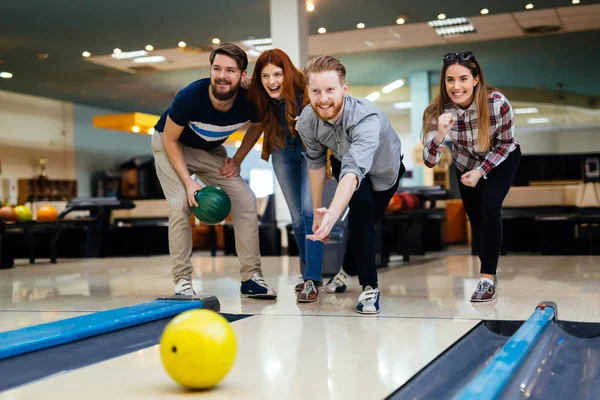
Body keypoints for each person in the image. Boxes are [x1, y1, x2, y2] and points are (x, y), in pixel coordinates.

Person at [151, 42, 277, 299]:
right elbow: (170, 140)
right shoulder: (189, 98)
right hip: (171, 146)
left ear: (242, 75)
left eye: (230, 70)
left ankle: (252, 278)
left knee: (245, 198)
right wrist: (189, 183)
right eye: (217, 68)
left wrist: (238, 159)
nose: (222, 75)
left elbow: (259, 125)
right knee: (180, 205)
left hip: (210, 152)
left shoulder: (251, 99)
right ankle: (183, 282)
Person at [296, 55, 405, 314]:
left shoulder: (366, 118)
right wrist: (317, 211)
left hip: (383, 172)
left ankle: (346, 270)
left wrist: (331, 216)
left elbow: (356, 171)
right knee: (361, 215)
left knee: (364, 222)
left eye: (330, 90)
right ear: (308, 91)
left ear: (344, 89)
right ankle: (370, 287)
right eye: (316, 91)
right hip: (345, 163)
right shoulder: (307, 120)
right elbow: (315, 163)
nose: (323, 99)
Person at [421, 51, 521, 302]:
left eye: (463, 79)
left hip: (502, 157)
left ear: (476, 80)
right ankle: (491, 269)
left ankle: (486, 278)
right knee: (476, 221)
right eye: (450, 80)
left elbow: (505, 144)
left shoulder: (497, 104)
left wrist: (481, 171)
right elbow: (430, 161)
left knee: (489, 206)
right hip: (465, 162)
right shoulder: (438, 111)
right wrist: (441, 134)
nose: (457, 86)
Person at [247, 49, 324, 303]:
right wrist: (236, 159)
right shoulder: (263, 97)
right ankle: (308, 275)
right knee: (297, 217)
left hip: (309, 151)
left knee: (309, 211)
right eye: (266, 75)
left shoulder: (307, 92)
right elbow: (256, 126)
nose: (272, 81)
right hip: (281, 150)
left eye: (277, 74)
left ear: (287, 73)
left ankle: (312, 279)